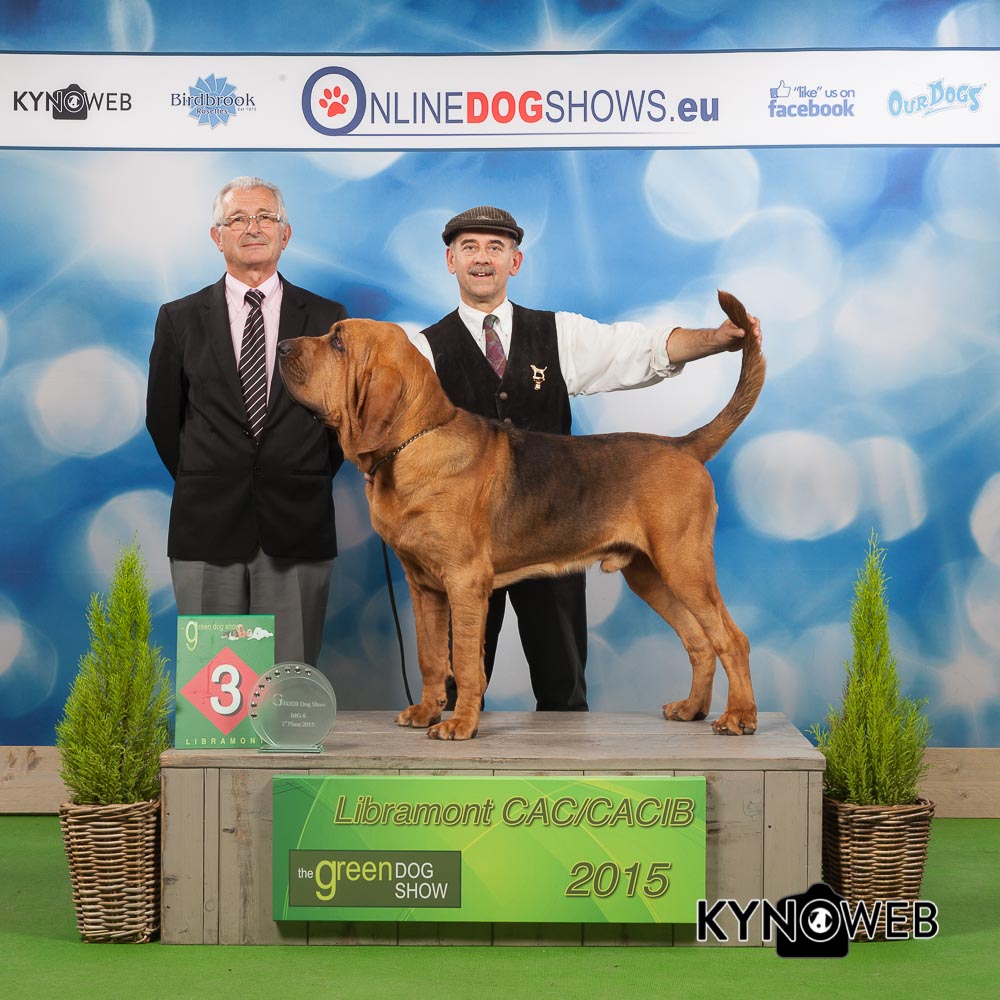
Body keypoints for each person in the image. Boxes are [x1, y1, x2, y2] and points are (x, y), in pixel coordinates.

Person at [412, 205, 761, 712]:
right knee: (454, 700)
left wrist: (717, 339)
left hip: (560, 527)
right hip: (461, 538)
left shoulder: (558, 332)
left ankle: (731, 699)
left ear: (515, 261)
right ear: (451, 261)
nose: (482, 258)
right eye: (469, 247)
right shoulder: (423, 350)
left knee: (563, 690)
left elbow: (639, 348)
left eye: (495, 247)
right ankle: (454, 749)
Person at [146, 176, 347, 666]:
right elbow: (162, 418)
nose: (252, 227)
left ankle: (285, 728)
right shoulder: (179, 318)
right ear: (217, 237)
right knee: (212, 691)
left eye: (265, 217)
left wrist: (300, 471)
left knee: (289, 687)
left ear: (286, 233)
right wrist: (211, 472)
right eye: (237, 218)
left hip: (298, 520)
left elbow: (343, 419)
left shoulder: (328, 317)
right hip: (207, 523)